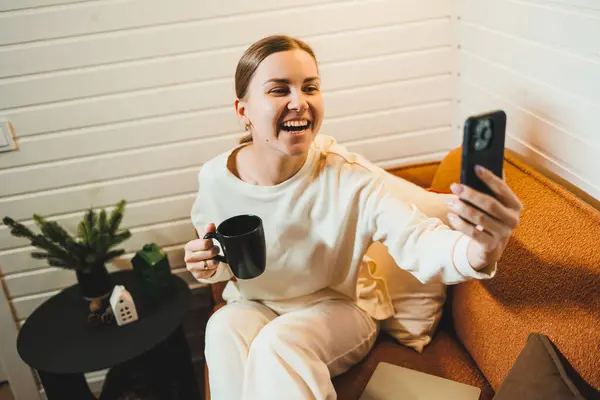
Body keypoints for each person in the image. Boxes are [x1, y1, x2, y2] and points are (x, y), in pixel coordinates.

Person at [185, 35, 522, 400]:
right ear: (243, 110)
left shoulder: (347, 177)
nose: (299, 102)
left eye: (310, 87)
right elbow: (220, 260)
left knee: (279, 344)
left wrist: (480, 251)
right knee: (221, 326)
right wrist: (207, 267)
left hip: (339, 309)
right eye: (279, 90)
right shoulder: (215, 178)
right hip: (256, 304)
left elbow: (416, 237)